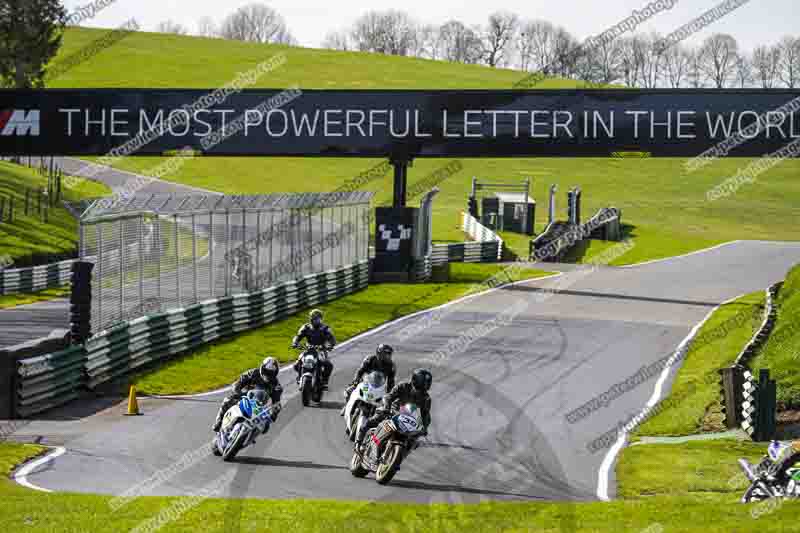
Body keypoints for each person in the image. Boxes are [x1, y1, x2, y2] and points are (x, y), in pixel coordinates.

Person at [355, 368, 432, 450]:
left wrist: (424, 428)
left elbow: (425, 415)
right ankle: (359, 442)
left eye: (426, 384)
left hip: (408, 420)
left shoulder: (426, 399)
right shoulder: (403, 386)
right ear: (415, 380)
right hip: (393, 411)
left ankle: (399, 453)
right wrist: (386, 407)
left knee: (414, 441)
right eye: (422, 383)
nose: (424, 386)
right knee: (373, 420)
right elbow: (389, 396)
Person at [212, 357, 283, 432]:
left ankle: (249, 437)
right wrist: (237, 391)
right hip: (244, 398)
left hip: (258, 408)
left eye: (271, 373)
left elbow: (276, 403)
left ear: (275, 374)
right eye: (266, 371)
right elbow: (238, 382)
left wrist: (274, 413)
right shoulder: (252, 373)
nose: (268, 375)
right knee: (227, 400)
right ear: (262, 367)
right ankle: (218, 422)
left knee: (265, 428)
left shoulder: (276, 387)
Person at [340, 344, 396, 415]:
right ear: (379, 353)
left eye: (389, 354)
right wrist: (356, 380)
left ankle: (373, 415)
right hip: (366, 383)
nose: (388, 356)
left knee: (384, 403)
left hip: (380, 386)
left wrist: (389, 392)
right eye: (386, 354)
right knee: (349, 391)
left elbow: (391, 381)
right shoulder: (370, 359)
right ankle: (347, 405)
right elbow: (360, 371)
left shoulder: (391, 366)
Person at [292, 309, 336, 388]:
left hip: (321, 350)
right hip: (308, 349)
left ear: (321, 319)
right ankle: (299, 377)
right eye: (314, 318)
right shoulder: (306, 327)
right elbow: (298, 336)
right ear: (310, 318)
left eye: (317, 318)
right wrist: (295, 342)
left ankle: (325, 381)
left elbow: (332, 339)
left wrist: (329, 345)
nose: (315, 320)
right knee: (296, 364)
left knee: (328, 365)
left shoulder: (325, 328)